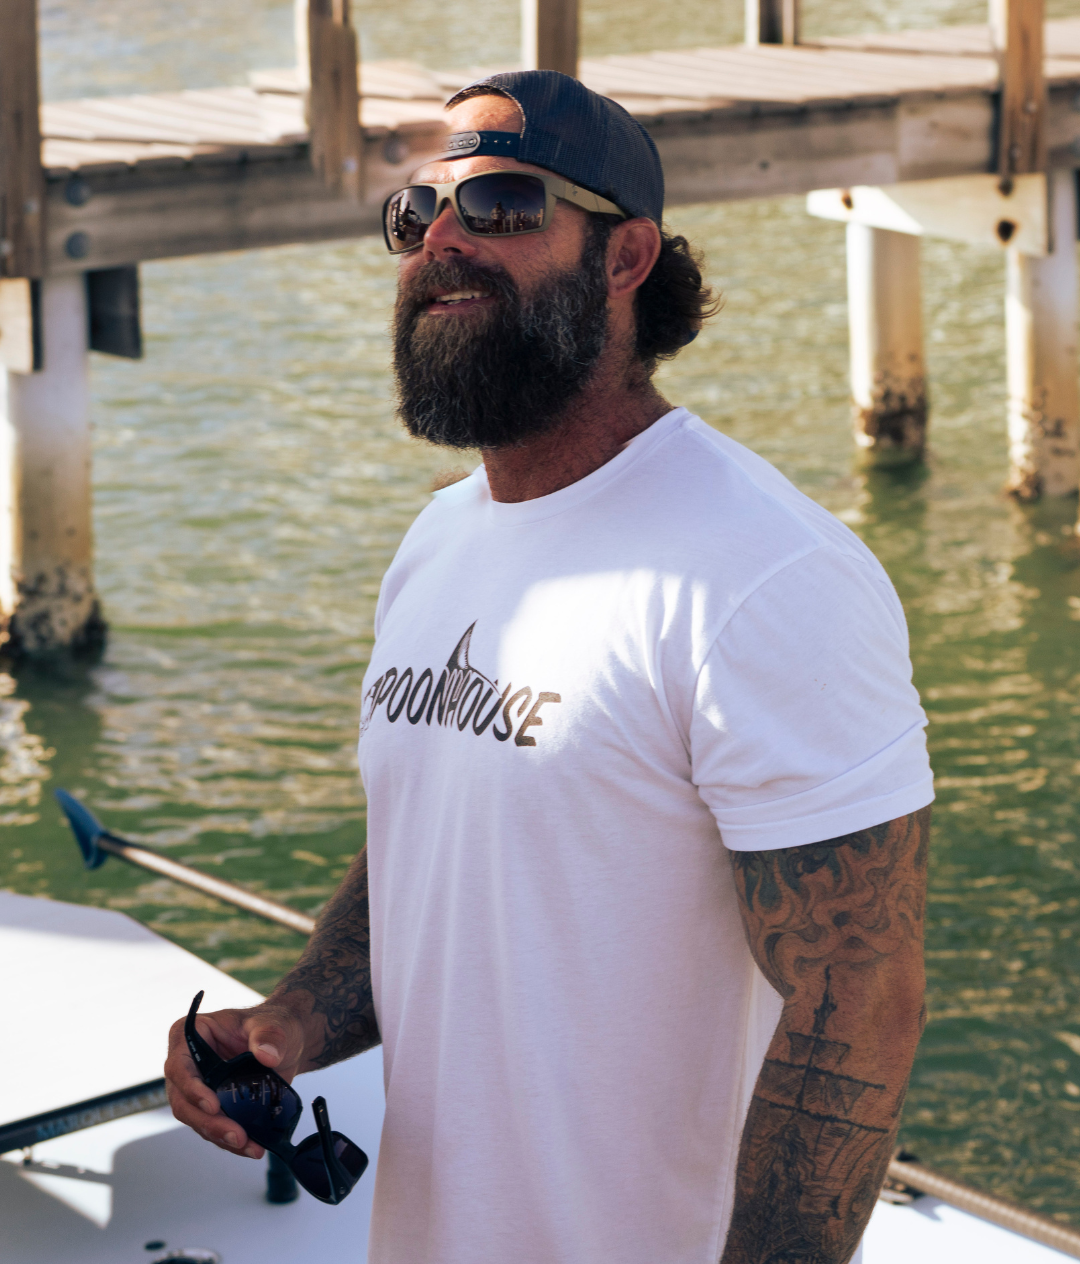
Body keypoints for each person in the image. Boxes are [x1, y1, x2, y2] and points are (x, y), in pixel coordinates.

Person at [165, 70, 934, 1264]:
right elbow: (439, 842)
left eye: (503, 206)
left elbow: (857, 1009)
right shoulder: (438, 543)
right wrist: (295, 1022)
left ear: (626, 257)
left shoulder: (763, 575)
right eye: (419, 214)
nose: (443, 242)